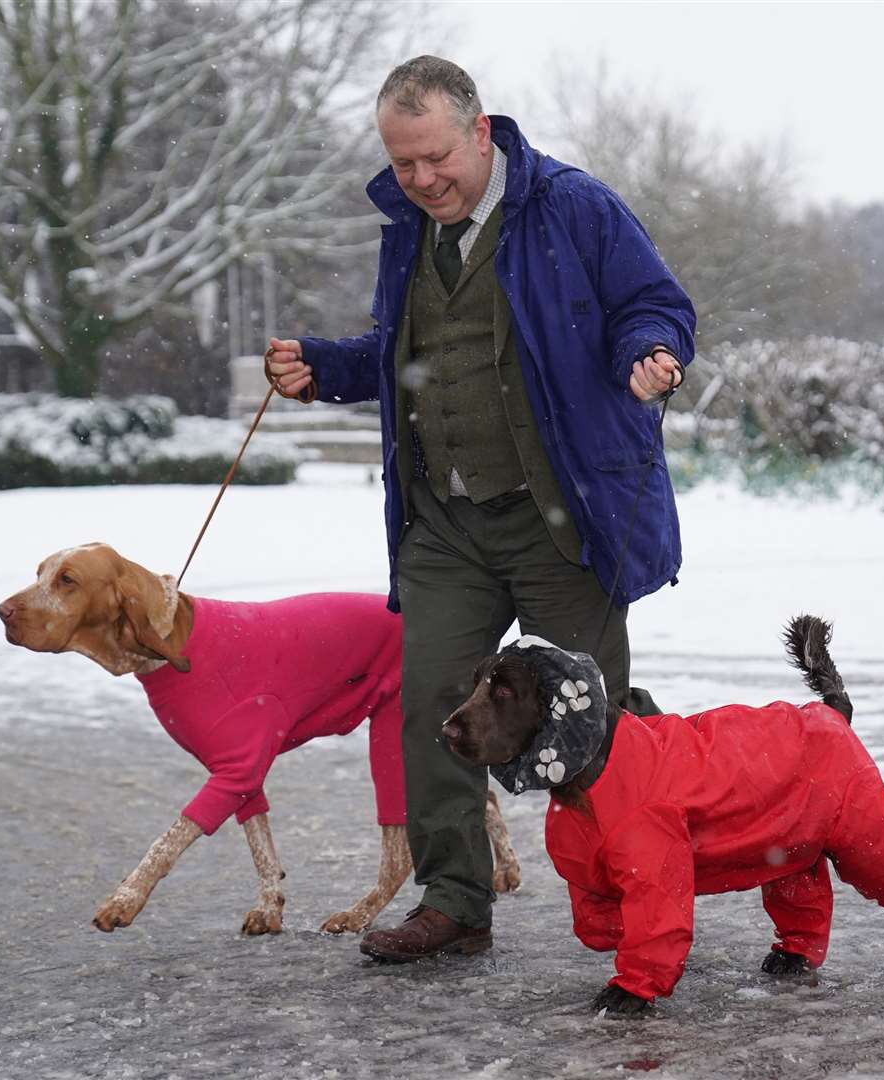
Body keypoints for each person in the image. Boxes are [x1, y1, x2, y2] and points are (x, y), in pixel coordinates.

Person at [264, 55, 695, 962]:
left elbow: (652, 302)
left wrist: (650, 350)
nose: (420, 181)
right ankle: (454, 900)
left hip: (559, 522)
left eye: (434, 159)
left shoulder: (574, 207)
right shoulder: (408, 231)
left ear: (480, 132)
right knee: (434, 708)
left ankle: (642, 884)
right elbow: (405, 349)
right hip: (445, 524)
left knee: (595, 716)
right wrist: (327, 367)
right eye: (402, 162)